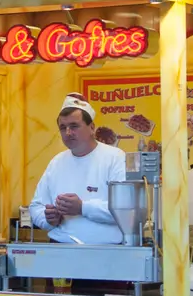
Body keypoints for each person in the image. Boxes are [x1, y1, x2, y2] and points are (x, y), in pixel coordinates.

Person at [29, 94, 127, 244]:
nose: (68, 132)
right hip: (60, 248)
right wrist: (48, 218)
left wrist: (82, 208)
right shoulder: (57, 162)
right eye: (63, 128)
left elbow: (124, 209)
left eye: (74, 126)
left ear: (92, 128)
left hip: (106, 250)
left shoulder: (115, 158)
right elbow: (36, 207)